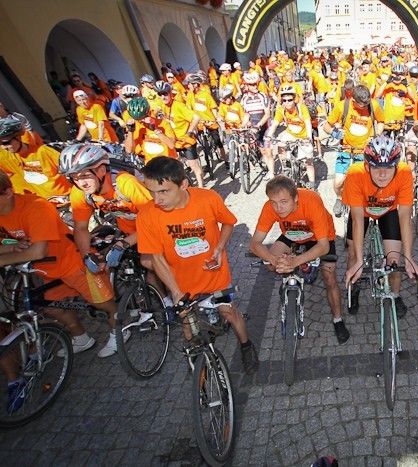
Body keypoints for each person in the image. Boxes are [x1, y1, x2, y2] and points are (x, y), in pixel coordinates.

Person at [136, 157, 259, 374]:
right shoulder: (147, 215)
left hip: (216, 277)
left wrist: (220, 247)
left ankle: (246, 345)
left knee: (229, 312)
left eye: (164, 191)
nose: (157, 199)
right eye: (152, 192)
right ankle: (198, 368)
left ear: (183, 184)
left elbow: (228, 222)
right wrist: (176, 292)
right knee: (187, 323)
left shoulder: (208, 198)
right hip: (181, 283)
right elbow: (156, 258)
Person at [0, 171, 125, 358]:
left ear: (8, 192)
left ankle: (120, 332)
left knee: (103, 304)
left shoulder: (35, 207)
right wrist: (11, 248)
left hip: (72, 262)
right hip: (47, 269)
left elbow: (38, 252)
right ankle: (81, 338)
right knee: (53, 308)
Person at [250, 176, 350, 344]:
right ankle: (295, 275)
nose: (278, 208)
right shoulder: (270, 207)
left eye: (283, 202)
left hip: (318, 236)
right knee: (270, 265)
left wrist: (294, 261)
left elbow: (324, 246)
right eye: (273, 202)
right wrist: (274, 260)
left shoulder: (311, 200)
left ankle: (338, 319)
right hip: (293, 234)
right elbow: (254, 244)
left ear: (295, 198)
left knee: (329, 277)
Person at [343, 136, 418, 318]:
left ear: (396, 166)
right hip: (362, 212)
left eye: (388, 168)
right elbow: (357, 220)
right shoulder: (355, 173)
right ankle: (354, 286)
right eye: (376, 167)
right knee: (353, 253)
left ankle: (395, 295)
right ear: (367, 166)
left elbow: (405, 217)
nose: (382, 174)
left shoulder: (404, 172)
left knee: (394, 259)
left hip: (389, 210)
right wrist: (359, 261)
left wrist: (409, 258)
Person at [58, 143, 153, 276]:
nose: (81, 183)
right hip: (129, 231)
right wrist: (87, 255)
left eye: (85, 176)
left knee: (149, 263)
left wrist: (124, 244)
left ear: (101, 170)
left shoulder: (125, 183)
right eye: (75, 178)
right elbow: (80, 228)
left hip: (153, 228)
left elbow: (155, 221)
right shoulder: (80, 192)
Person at [322, 85, 384, 216]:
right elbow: (326, 126)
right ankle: (340, 198)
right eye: (362, 105)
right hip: (345, 149)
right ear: (354, 100)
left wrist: (376, 135)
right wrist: (335, 133)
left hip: (364, 151)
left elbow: (381, 122)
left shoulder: (373, 105)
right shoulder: (342, 106)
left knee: (365, 182)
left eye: (367, 104)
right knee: (338, 182)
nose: (365, 107)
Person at [0, 117, 71, 199]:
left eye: (6, 143)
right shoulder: (9, 158)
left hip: (66, 197)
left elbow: (71, 169)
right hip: (46, 202)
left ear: (18, 137)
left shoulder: (43, 152)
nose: (3, 147)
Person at [264, 85, 315, 187]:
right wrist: (268, 136)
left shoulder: (301, 108)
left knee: (308, 161)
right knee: (280, 144)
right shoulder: (281, 109)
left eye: (290, 100)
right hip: (290, 134)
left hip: (303, 135)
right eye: (284, 100)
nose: (287, 102)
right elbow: (275, 124)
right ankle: (286, 166)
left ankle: (312, 183)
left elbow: (308, 123)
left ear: (294, 99)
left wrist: (309, 138)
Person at [157, 80, 204, 188]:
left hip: (185, 141)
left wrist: (190, 131)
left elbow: (196, 117)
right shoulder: (161, 106)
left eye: (165, 93)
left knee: (194, 166)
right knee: (174, 168)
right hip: (173, 142)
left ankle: (201, 188)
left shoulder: (179, 106)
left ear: (170, 93)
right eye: (160, 94)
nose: (163, 97)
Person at [184, 73, 227, 169]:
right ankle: (208, 164)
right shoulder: (190, 95)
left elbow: (213, 108)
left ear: (195, 84)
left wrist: (216, 118)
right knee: (203, 146)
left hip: (209, 122)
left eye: (190, 84)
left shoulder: (205, 94)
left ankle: (225, 160)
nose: (188, 86)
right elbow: (188, 109)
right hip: (199, 123)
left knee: (217, 141)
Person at [123, 96, 176, 164]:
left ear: (148, 113)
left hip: (168, 162)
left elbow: (171, 145)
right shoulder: (136, 126)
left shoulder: (163, 123)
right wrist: (131, 131)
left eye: (143, 118)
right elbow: (129, 150)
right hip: (150, 163)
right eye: (138, 119)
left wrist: (155, 130)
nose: (141, 121)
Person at [240, 71, 272, 177]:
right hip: (254, 128)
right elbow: (246, 115)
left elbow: (267, 114)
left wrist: (258, 125)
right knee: (262, 151)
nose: (255, 86)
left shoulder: (263, 96)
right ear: (247, 86)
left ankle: (272, 174)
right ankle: (267, 168)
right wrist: (242, 126)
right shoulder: (244, 99)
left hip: (264, 127)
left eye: (256, 84)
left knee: (268, 152)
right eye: (252, 84)